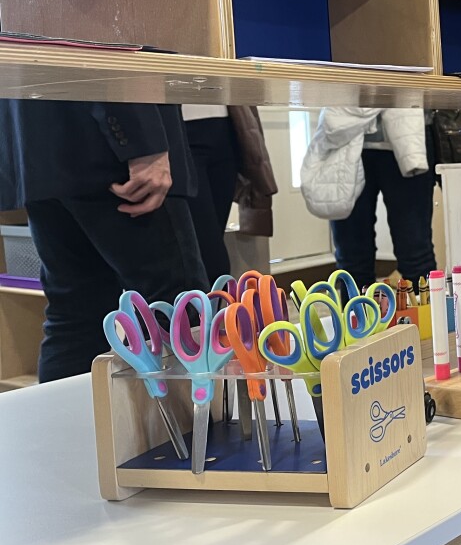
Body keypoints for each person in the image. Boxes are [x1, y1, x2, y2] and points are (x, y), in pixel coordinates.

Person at [0, 100, 207, 382]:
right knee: (176, 310)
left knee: (75, 316)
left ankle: (73, 427)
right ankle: (183, 428)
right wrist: (141, 141)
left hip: (34, 153)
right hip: (112, 155)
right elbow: (110, 54)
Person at [301, 108, 436, 291]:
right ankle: (356, 319)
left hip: (409, 136)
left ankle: (427, 318)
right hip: (347, 135)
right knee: (352, 260)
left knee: (416, 254)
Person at [182, 105, 277, 281]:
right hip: (182, 128)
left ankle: (214, 305)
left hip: (227, 127)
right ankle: (208, 306)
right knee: (209, 256)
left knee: (214, 245)